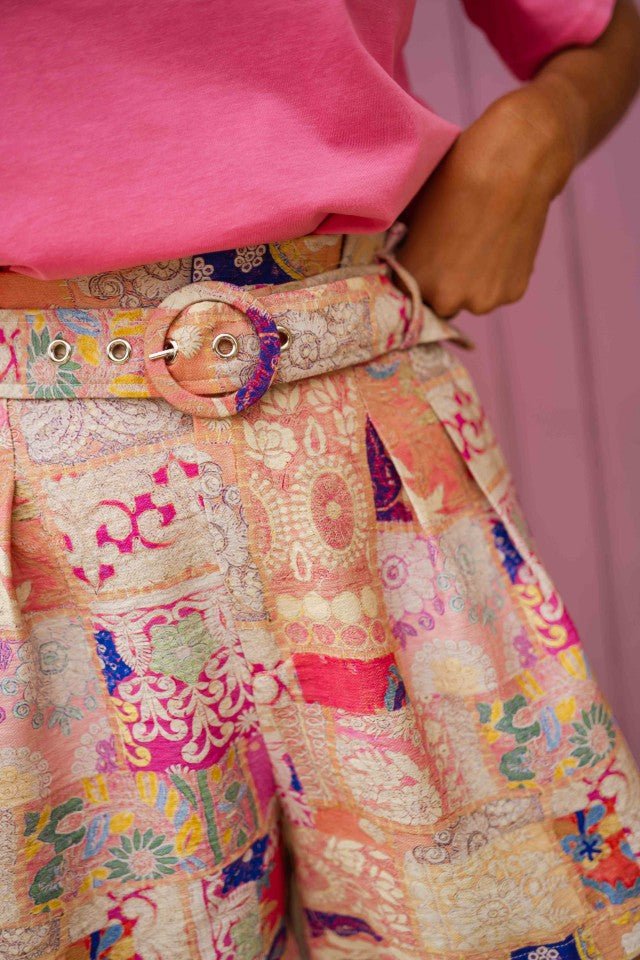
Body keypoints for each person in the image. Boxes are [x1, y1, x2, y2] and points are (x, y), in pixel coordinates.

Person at [1, 2, 639, 958]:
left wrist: (537, 134)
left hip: (367, 430)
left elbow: (607, 27)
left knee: (515, 923)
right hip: (35, 481)